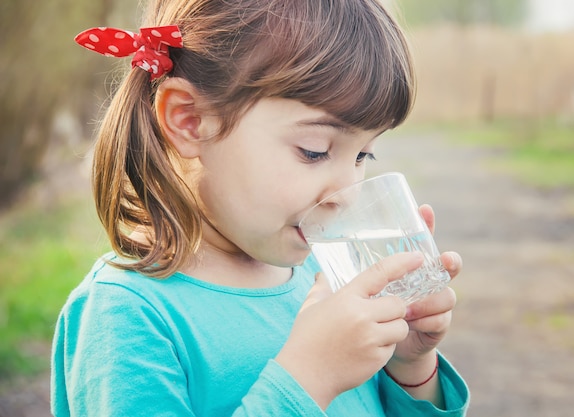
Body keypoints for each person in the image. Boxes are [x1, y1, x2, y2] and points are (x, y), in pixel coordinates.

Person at [51, 0, 469, 415]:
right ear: (189, 120)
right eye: (314, 151)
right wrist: (309, 377)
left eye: (363, 156)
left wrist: (409, 365)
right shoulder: (127, 315)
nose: (348, 193)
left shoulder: (325, 280)